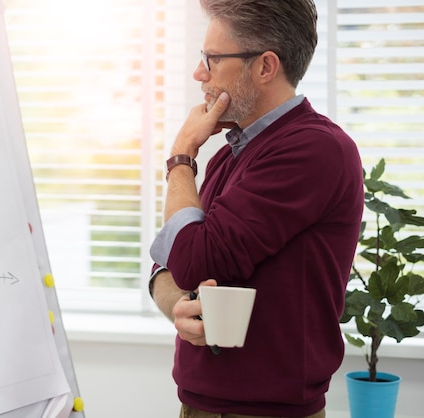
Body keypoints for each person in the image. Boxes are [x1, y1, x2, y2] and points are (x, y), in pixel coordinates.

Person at [148, 0, 364, 417]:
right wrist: (177, 302)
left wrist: (181, 157)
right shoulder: (229, 157)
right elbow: (169, 264)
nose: (199, 74)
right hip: (201, 402)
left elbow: (192, 260)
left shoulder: (312, 150)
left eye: (211, 59)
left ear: (265, 67)